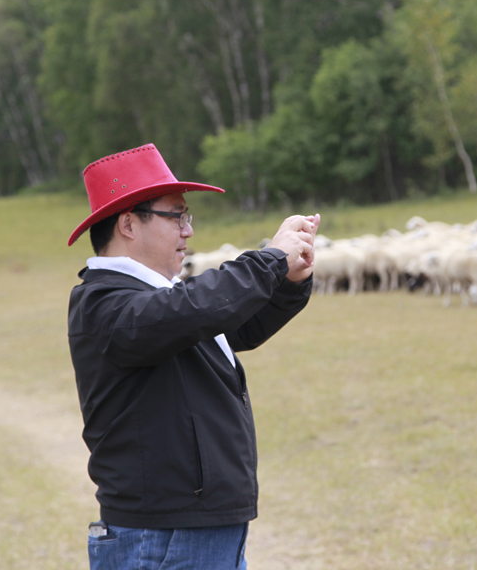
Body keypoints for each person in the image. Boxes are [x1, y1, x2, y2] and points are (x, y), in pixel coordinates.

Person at [66, 143, 318, 570]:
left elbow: (239, 324)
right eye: (176, 215)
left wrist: (289, 280)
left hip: (189, 530)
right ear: (128, 223)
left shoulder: (160, 301)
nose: (188, 230)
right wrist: (269, 261)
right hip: (162, 537)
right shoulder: (103, 302)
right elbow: (195, 310)